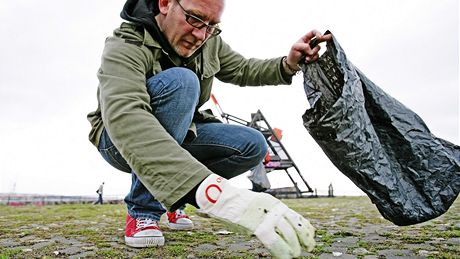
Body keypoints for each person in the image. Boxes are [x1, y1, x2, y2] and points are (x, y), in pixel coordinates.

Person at [87, 0, 331, 257]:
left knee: (253, 144)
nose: (201, 35)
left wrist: (288, 64)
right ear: (165, 3)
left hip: (184, 134)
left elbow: (243, 68)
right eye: (194, 18)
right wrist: (211, 193)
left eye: (211, 26)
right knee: (183, 82)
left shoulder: (208, 41)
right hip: (117, 140)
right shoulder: (125, 44)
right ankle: (143, 211)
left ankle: (175, 198)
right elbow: (127, 117)